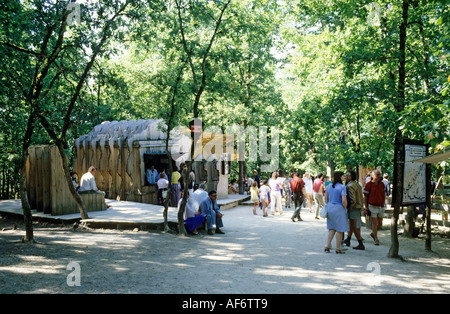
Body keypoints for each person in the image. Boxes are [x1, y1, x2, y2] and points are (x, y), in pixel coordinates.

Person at [324, 171, 348, 254]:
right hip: (339, 208)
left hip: (330, 207)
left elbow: (325, 198)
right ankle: (338, 248)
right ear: (340, 177)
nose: (344, 177)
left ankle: (327, 245)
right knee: (340, 229)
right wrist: (345, 207)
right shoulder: (342, 187)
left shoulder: (329, 186)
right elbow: (344, 200)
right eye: (343, 176)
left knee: (332, 228)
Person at [363, 169, 386, 246]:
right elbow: (365, 197)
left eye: (380, 174)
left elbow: (383, 194)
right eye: (377, 174)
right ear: (373, 176)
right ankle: (376, 239)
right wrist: (366, 207)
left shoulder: (382, 184)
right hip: (372, 206)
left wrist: (383, 202)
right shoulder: (369, 185)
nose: (379, 176)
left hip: (380, 206)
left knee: (380, 224)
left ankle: (373, 233)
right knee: (375, 223)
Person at [344, 170, 365, 250]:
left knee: (354, 225)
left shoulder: (350, 186)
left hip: (354, 208)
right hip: (357, 207)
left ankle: (360, 243)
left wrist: (351, 207)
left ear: (351, 177)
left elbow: (353, 199)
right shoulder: (356, 184)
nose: (346, 177)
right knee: (352, 224)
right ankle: (348, 239)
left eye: (347, 175)